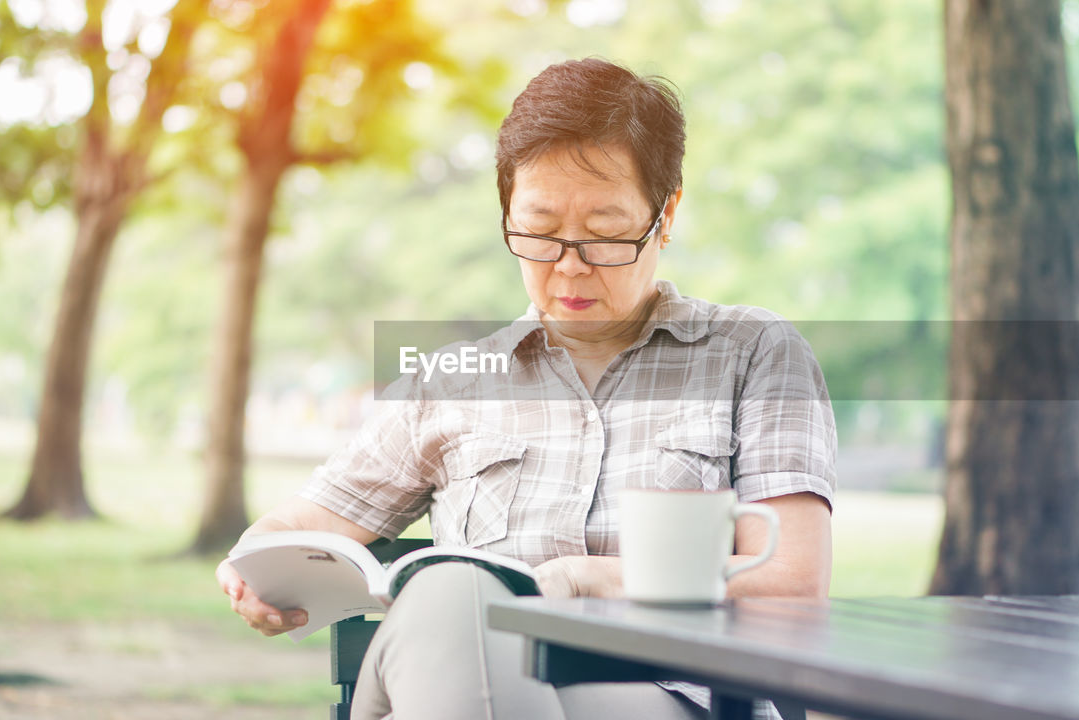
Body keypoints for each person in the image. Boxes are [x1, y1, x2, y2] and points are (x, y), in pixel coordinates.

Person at [216, 57, 836, 720]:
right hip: (449, 673)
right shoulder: (448, 383)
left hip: (662, 697)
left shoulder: (754, 356)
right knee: (456, 596)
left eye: (604, 234)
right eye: (538, 234)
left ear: (667, 211)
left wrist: (598, 581)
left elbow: (792, 587)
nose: (568, 268)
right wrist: (255, 567)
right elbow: (307, 520)